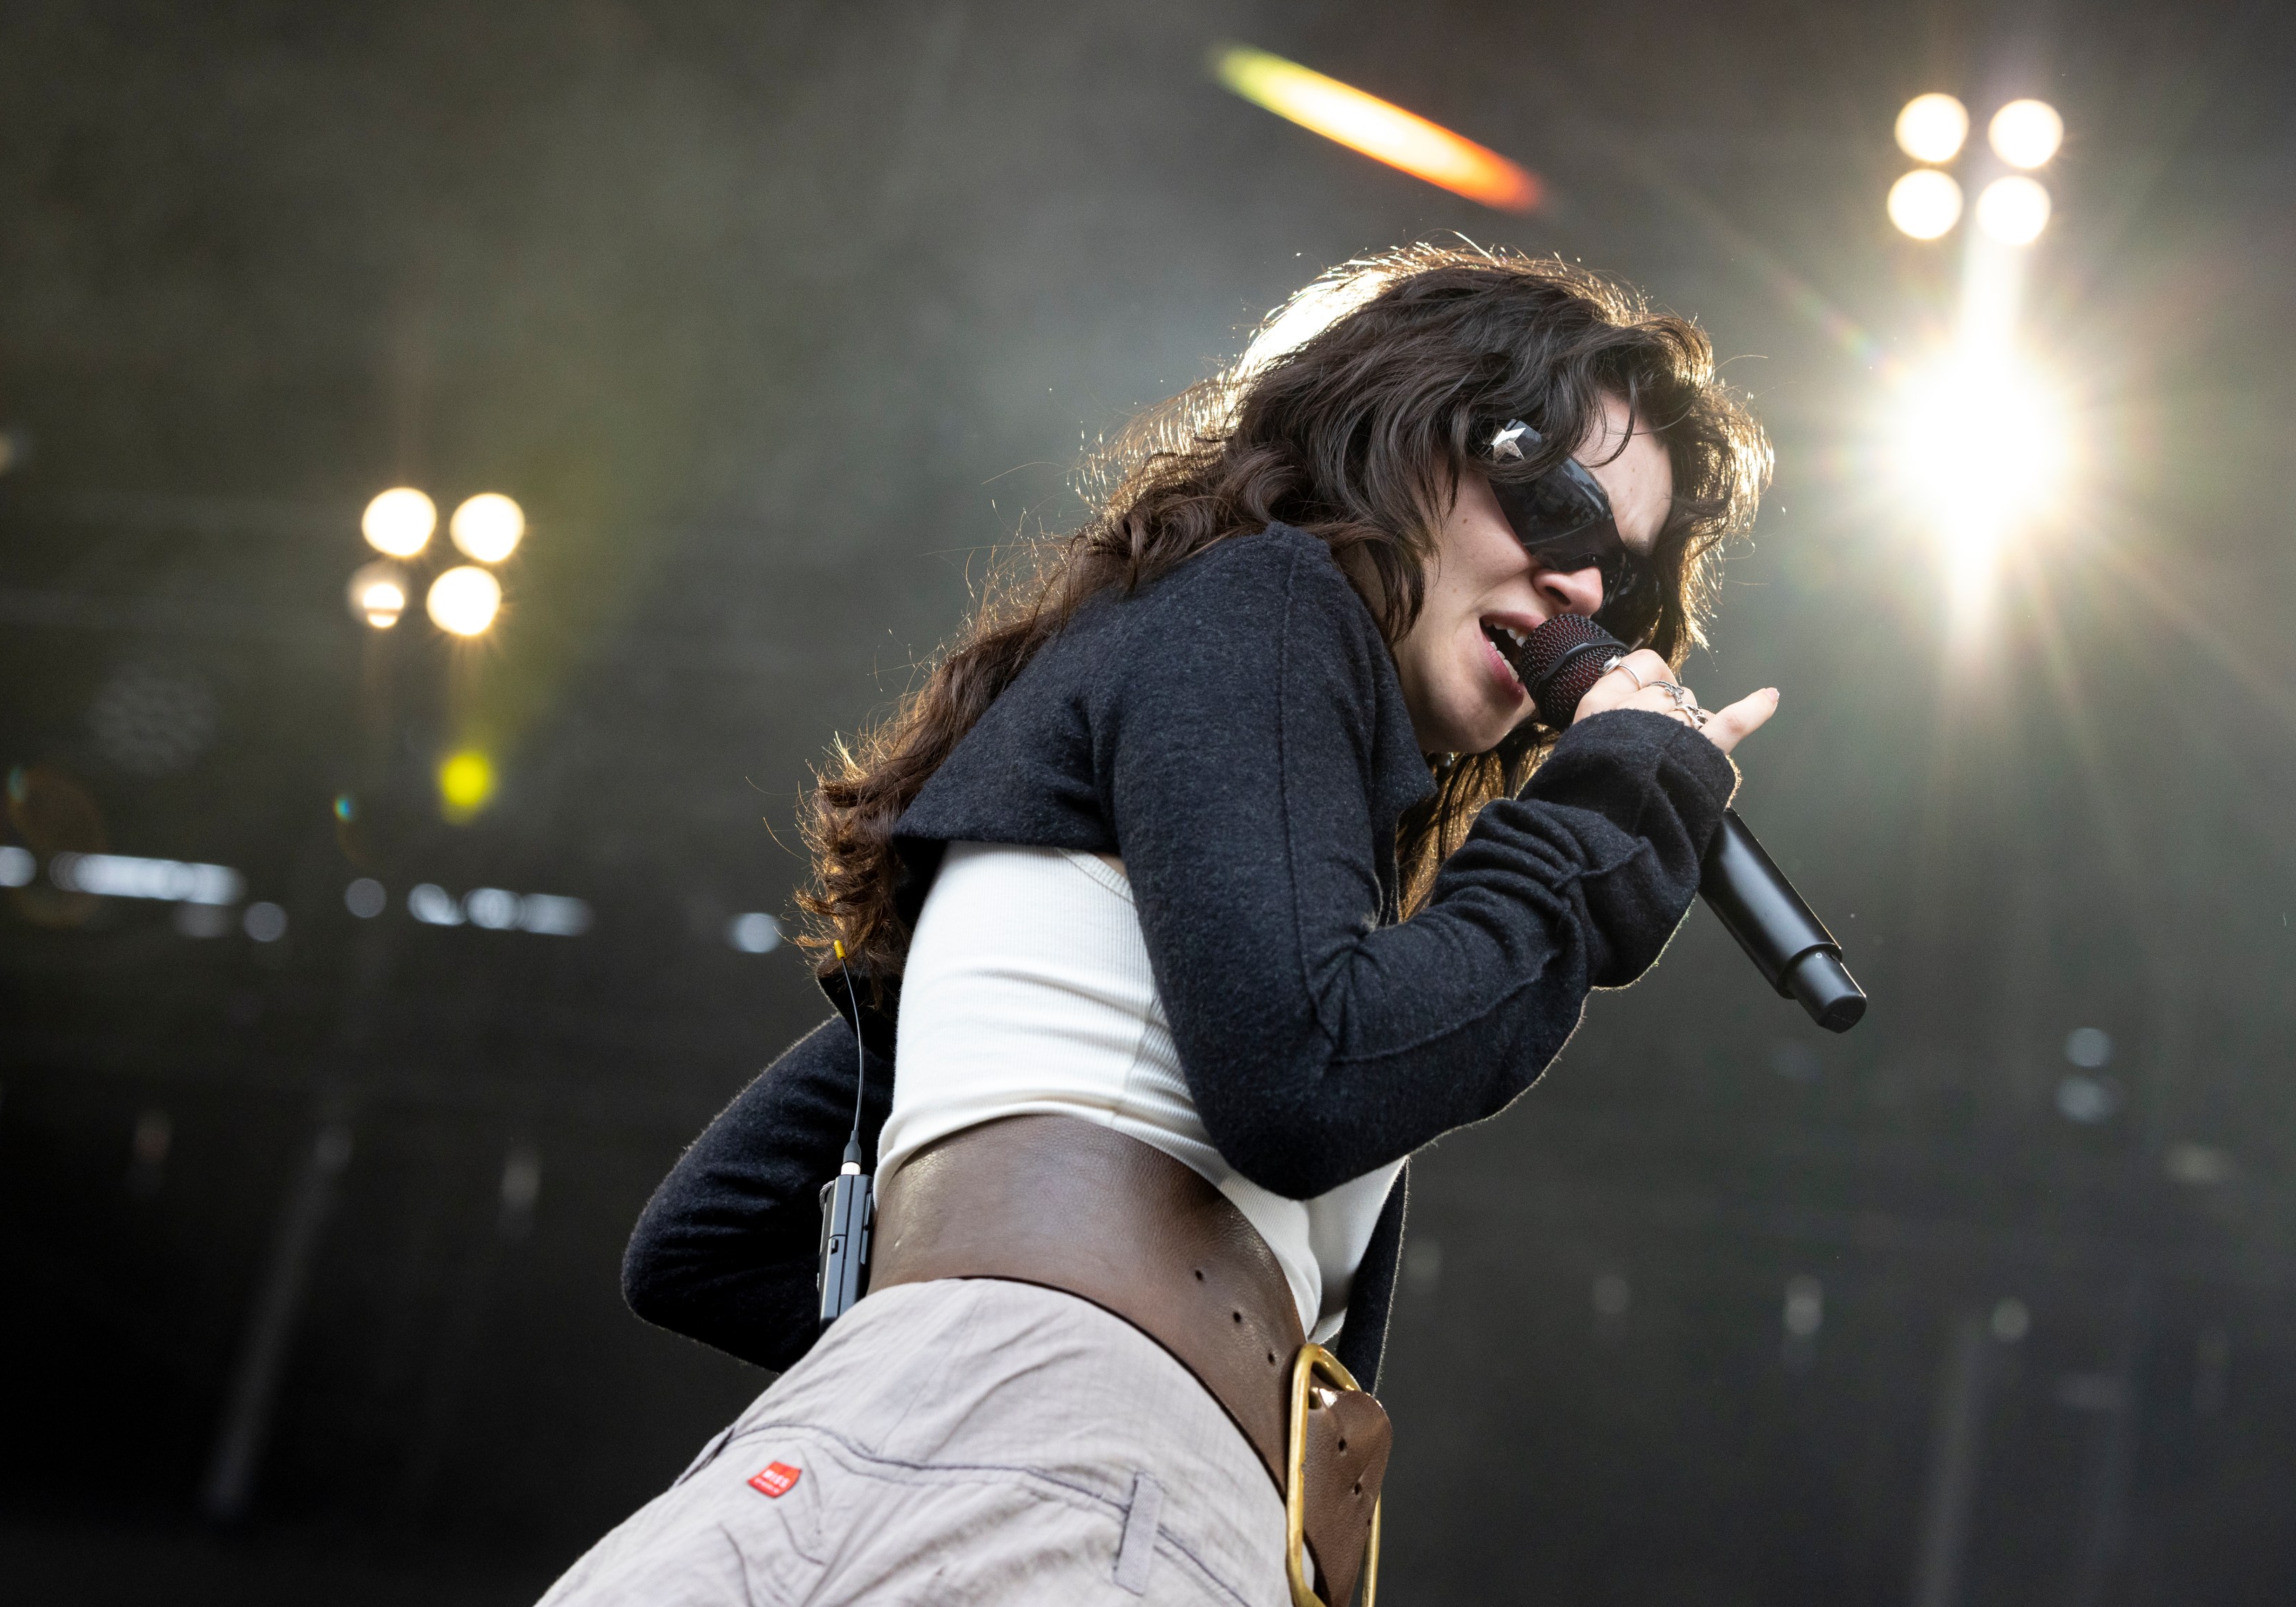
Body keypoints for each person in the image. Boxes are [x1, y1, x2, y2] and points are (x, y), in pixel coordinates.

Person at [540, 247, 1775, 1606]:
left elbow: (710, 1244)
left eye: (1629, 575)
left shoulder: (1139, 832)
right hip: (1057, 1489)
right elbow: (1312, 1084)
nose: (1588, 593)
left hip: (887, 1472)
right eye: (1561, 514)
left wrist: (970, 1345)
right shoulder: (1269, 599)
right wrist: (1605, 817)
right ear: (1405, 437)